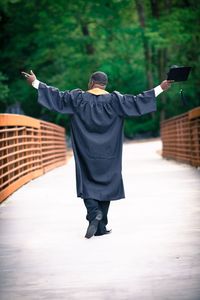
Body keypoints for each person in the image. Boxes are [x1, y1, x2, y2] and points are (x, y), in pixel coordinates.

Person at [22, 70, 173, 239]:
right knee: (107, 183)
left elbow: (56, 96)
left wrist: (35, 82)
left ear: (90, 82)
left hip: (86, 151)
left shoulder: (77, 99)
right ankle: (101, 226)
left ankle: (95, 215)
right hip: (109, 152)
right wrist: (160, 88)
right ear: (105, 85)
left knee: (87, 180)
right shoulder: (116, 101)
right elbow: (137, 101)